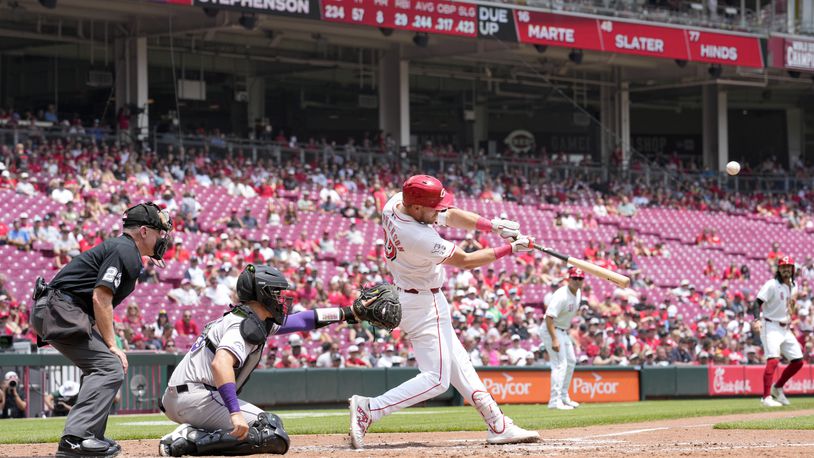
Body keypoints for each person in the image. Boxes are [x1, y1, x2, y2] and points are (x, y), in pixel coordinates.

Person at [349, 174, 539, 449]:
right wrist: (509, 248)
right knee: (438, 381)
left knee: (459, 363)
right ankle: (371, 408)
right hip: (423, 305)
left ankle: (498, 424)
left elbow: (448, 215)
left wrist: (492, 225)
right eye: (431, 207)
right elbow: (465, 260)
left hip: (416, 296)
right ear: (415, 207)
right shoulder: (417, 235)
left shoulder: (394, 204)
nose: (438, 210)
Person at [158, 264, 368, 456]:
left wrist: (349, 312)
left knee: (268, 430)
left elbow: (303, 319)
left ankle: (195, 432)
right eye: (275, 292)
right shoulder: (242, 324)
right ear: (261, 294)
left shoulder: (250, 319)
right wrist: (235, 413)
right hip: (198, 397)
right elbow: (220, 364)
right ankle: (188, 441)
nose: (280, 298)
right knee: (271, 431)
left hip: (181, 397)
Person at [30, 202, 173, 458]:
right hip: (61, 309)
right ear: (143, 231)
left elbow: (98, 304)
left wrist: (112, 345)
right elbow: (100, 298)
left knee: (106, 365)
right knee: (109, 366)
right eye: (159, 232)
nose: (162, 238)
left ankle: (91, 436)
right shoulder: (125, 249)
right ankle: (75, 440)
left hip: (64, 309)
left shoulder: (126, 250)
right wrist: (112, 345)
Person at [753, 256, 805, 407]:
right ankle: (766, 397)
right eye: (783, 267)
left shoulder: (794, 285)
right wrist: (756, 320)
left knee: (798, 361)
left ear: (793, 269)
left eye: (789, 267)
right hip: (770, 325)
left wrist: (792, 307)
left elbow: (790, 306)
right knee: (773, 359)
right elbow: (757, 302)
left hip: (785, 327)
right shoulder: (771, 284)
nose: (786, 269)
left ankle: (778, 387)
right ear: (779, 269)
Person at [541, 267, 584, 410]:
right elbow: (549, 317)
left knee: (571, 361)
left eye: (580, 279)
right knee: (560, 364)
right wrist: (554, 339)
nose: (577, 281)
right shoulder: (561, 295)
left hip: (563, 330)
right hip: (551, 329)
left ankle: (564, 396)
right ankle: (554, 401)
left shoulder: (578, 293)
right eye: (574, 278)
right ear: (569, 279)